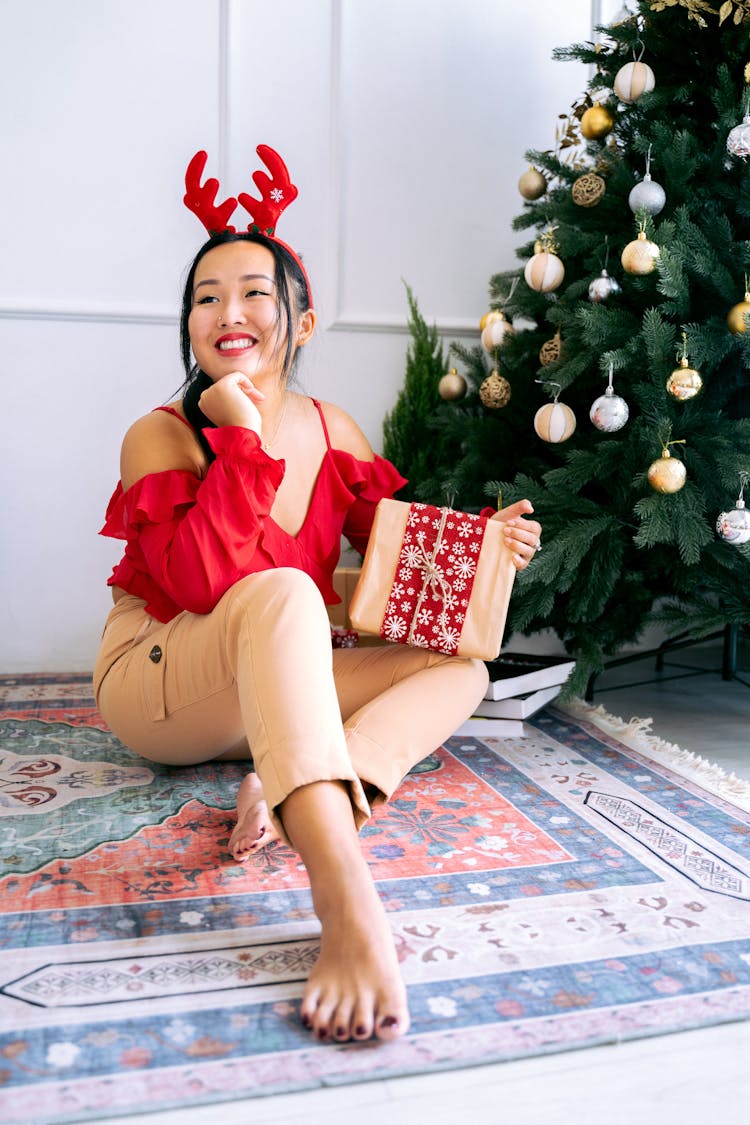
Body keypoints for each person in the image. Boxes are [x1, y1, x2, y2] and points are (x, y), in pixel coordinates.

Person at [93, 147, 542, 1045]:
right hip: (160, 680)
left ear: (302, 317)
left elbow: (396, 564)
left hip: (270, 674)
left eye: (256, 291)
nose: (229, 311)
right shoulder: (162, 432)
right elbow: (199, 586)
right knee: (285, 595)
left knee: (466, 665)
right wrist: (243, 440)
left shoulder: (336, 428)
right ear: (189, 323)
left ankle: (304, 774)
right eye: (206, 295)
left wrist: (490, 547)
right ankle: (345, 903)